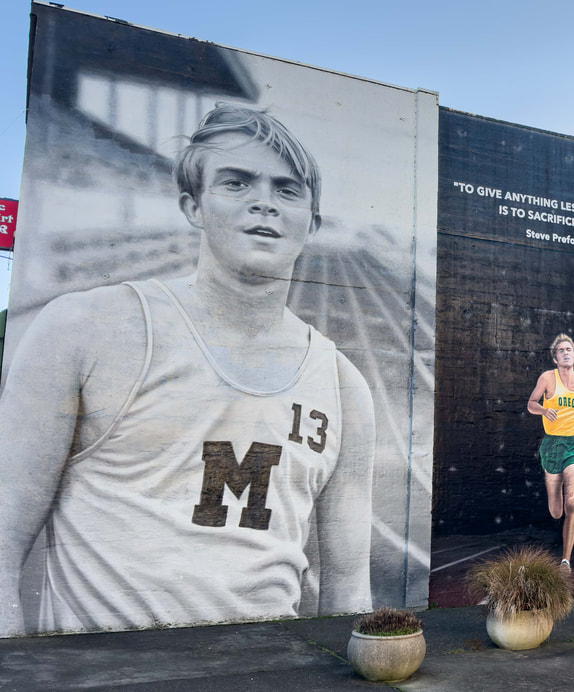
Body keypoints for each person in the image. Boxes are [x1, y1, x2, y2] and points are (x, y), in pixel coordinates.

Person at [0, 104, 375, 636]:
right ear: (193, 206)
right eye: (236, 183)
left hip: (267, 671)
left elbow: (348, 591)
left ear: (311, 222)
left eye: (286, 190)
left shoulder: (343, 385)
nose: (264, 203)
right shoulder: (86, 329)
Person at [527, 334, 574, 571]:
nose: (566, 352)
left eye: (569, 349)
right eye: (561, 350)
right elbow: (531, 403)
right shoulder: (548, 378)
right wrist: (543, 411)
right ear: (556, 358)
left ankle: (565, 561)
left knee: (571, 500)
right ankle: (554, 493)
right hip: (552, 446)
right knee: (556, 511)